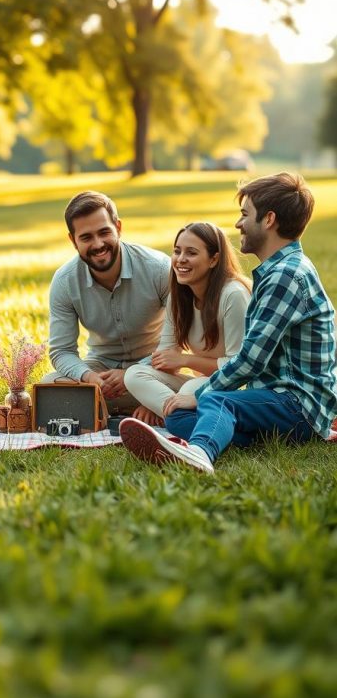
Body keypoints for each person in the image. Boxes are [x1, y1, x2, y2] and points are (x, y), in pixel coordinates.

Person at [120, 173, 337, 473]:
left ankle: (199, 452)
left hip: (297, 405)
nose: (238, 224)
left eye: (245, 214)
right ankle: (232, 434)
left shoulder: (286, 276)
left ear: (269, 219)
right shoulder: (278, 271)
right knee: (177, 415)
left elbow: (249, 362)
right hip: (275, 400)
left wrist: (199, 394)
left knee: (216, 401)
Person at [46, 191, 170, 411]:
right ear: (73, 241)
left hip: (153, 367)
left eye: (104, 232)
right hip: (101, 368)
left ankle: (102, 407)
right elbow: (61, 351)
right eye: (86, 237)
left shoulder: (159, 268)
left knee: (144, 381)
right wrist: (88, 376)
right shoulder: (64, 281)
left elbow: (177, 340)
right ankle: (144, 405)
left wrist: (130, 375)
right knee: (48, 385)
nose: (98, 244)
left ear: (119, 228)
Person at [124, 222, 251, 423]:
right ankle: (175, 416)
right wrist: (149, 400)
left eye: (191, 253)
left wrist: (185, 360)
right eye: (177, 251)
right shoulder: (179, 296)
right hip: (199, 385)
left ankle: (178, 419)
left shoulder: (233, 295)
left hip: (231, 388)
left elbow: (239, 367)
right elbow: (164, 358)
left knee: (190, 389)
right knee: (133, 374)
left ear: (214, 259)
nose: (181, 259)